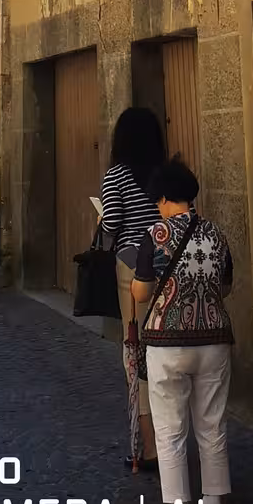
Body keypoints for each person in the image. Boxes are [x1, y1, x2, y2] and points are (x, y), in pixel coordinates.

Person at [131, 158, 234, 504]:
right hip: (214, 339)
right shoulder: (215, 234)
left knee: (170, 430)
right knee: (212, 423)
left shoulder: (154, 235)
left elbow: (142, 292)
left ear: (162, 198)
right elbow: (225, 285)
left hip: (167, 343)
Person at [97, 107, 165, 470]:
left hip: (131, 268)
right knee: (165, 352)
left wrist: (100, 218)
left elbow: (111, 224)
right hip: (167, 267)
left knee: (135, 351)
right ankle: (173, 441)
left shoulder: (116, 177)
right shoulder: (165, 175)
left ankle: (146, 448)